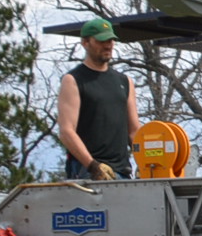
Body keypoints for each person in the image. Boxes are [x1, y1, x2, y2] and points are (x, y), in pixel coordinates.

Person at [55, 16, 142, 181]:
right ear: (85, 43)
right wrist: (92, 165)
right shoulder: (73, 80)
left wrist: (145, 162)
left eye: (110, 40)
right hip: (87, 172)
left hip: (122, 172)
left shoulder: (125, 82)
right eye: (102, 41)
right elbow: (66, 131)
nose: (108, 45)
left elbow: (134, 131)